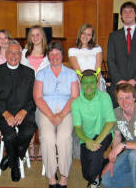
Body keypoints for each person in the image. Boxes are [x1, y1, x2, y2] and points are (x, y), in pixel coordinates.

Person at [0, 39, 36, 182]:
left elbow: (34, 98)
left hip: (23, 112)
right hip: (2, 113)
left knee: (28, 130)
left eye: (17, 53)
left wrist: (24, 111)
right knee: (9, 136)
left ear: (21, 55)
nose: (14, 56)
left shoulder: (29, 72)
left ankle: (10, 156)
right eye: (11, 52)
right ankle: (15, 166)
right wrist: (5, 113)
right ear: (6, 54)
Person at [34, 41, 79, 188]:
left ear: (62, 55)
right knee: (47, 137)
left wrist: (60, 115)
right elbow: (38, 97)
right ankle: (52, 176)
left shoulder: (71, 74)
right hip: (45, 111)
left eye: (57, 53)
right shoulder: (41, 73)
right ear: (48, 56)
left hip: (66, 111)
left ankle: (64, 176)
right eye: (51, 53)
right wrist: (51, 116)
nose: (54, 56)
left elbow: (74, 97)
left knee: (64, 137)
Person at [101, 83, 136, 188]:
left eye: (128, 97)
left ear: (134, 98)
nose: (124, 102)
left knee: (135, 157)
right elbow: (117, 137)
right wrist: (112, 161)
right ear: (117, 100)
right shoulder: (116, 113)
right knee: (106, 180)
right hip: (130, 150)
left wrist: (123, 145)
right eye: (120, 98)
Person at [71, 69, 116, 188]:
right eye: (85, 83)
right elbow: (78, 128)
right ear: (81, 83)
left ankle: (95, 179)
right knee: (86, 174)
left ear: (97, 83)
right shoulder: (76, 103)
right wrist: (88, 141)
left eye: (92, 82)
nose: (89, 86)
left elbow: (110, 122)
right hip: (86, 137)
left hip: (104, 134)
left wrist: (96, 142)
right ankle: (104, 163)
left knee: (94, 161)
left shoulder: (105, 97)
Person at [107, 1, 136, 108]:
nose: (127, 14)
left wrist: (134, 80)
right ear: (121, 15)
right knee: (119, 121)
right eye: (125, 11)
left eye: (131, 11)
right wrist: (119, 80)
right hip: (118, 86)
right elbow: (111, 59)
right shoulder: (114, 36)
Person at [21, 25, 49, 161]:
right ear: (29, 38)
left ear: (42, 36)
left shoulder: (49, 53)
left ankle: (43, 147)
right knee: (30, 120)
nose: (35, 37)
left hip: (45, 94)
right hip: (27, 93)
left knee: (44, 121)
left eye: (38, 34)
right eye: (32, 35)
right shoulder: (24, 52)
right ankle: (31, 146)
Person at [68, 23, 106, 91]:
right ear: (80, 34)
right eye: (83, 33)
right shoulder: (72, 51)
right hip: (81, 82)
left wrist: (95, 85)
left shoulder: (97, 48)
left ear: (92, 37)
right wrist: (86, 85)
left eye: (88, 34)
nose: (85, 36)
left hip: (96, 81)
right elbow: (78, 71)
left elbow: (98, 70)